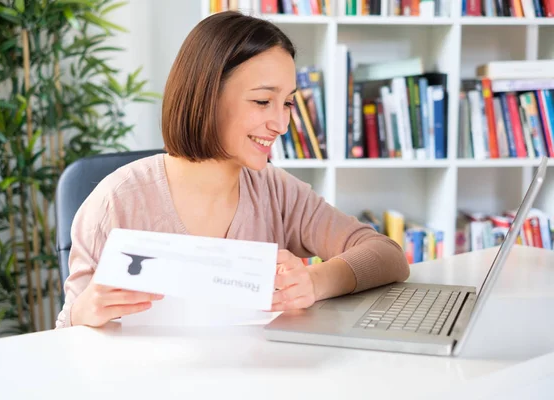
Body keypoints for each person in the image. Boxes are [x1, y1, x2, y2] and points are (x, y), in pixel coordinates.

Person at [55, 10, 410, 329]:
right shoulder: (116, 202)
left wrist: (315, 282)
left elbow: (387, 256)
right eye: (262, 101)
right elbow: (66, 340)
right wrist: (83, 313)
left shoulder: (275, 190)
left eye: (286, 103)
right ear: (206, 96)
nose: (281, 124)